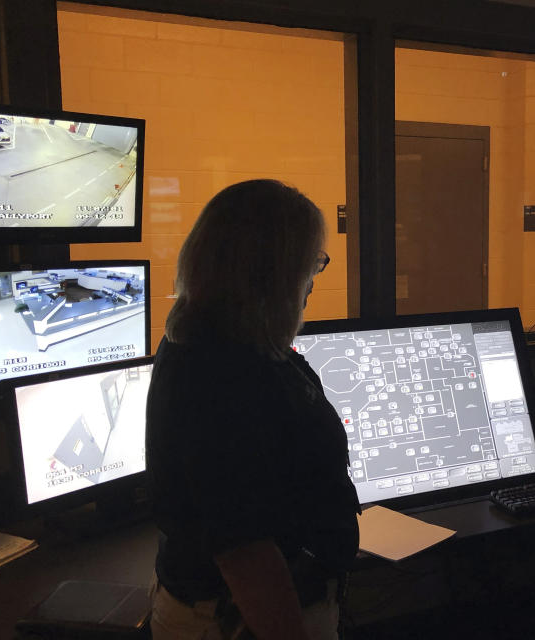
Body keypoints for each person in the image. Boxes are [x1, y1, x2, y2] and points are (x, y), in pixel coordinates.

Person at [145, 179, 360, 640]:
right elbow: (244, 549)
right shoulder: (220, 373)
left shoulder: (222, 341)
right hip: (242, 621)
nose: (311, 281)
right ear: (273, 273)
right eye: (311, 264)